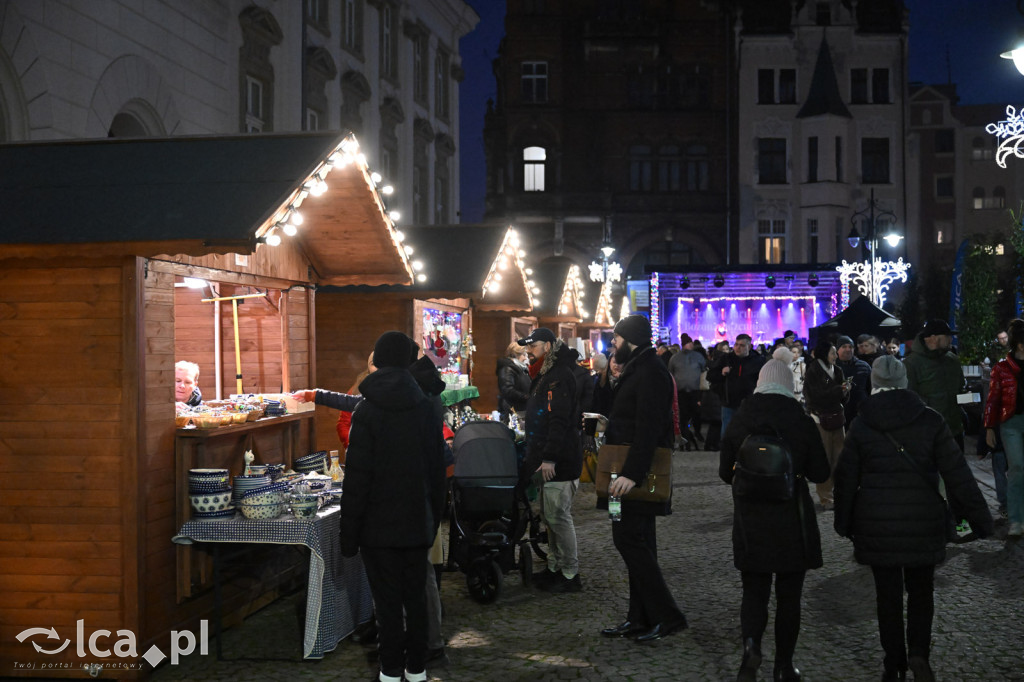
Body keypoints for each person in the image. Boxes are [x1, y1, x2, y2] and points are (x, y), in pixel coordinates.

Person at [834, 355, 993, 682]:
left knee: (887, 596)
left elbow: (846, 478)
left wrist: (844, 522)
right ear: (905, 381)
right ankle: (919, 654)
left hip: (876, 520)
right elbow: (957, 474)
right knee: (921, 592)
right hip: (924, 519)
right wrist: (981, 520)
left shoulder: (862, 424)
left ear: (874, 383)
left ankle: (894, 661)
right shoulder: (930, 420)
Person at [339, 331, 447, 682]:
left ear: (379, 362)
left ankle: (388, 672)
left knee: (386, 605)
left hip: (377, 528)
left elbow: (357, 479)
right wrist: (434, 519)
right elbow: (436, 472)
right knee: (415, 601)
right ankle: (416, 670)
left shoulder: (366, 410)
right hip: (416, 522)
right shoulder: (427, 408)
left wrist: (349, 534)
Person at [720, 347, 830, 682]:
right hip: (791, 519)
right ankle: (784, 665)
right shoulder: (799, 418)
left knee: (754, 592)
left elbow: (726, 472)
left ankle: (751, 648)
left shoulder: (742, 417)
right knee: (789, 596)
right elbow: (821, 472)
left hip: (751, 520)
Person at [599, 314, 687, 643]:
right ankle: (639, 617)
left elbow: (649, 429)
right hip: (623, 476)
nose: (613, 344)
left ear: (631, 339)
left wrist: (631, 475)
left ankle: (667, 615)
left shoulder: (651, 372)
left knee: (629, 541)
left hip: (631, 479)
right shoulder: (637, 367)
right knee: (638, 542)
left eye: (616, 339)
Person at [518, 327, 582, 592]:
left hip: (559, 461)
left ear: (547, 346)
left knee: (557, 516)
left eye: (533, 346)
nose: (528, 351)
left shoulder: (557, 376)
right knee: (549, 514)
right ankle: (555, 566)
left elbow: (559, 420)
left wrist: (550, 458)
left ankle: (570, 573)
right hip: (548, 458)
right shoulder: (545, 374)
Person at [983, 319, 1024, 537]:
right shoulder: (1002, 368)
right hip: (1011, 423)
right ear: (1020, 345)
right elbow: (993, 399)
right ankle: (1017, 519)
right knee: (1017, 468)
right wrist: (989, 427)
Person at [904, 320, 967, 451]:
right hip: (928, 432)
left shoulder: (953, 359)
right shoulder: (912, 363)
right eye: (947, 336)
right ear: (933, 338)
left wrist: (967, 398)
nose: (951, 339)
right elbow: (909, 397)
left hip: (954, 429)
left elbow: (960, 388)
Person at [803, 338, 848, 509]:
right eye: (832, 352)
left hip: (837, 418)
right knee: (825, 459)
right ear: (824, 353)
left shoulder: (837, 370)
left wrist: (845, 391)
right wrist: (839, 390)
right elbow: (815, 396)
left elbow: (841, 396)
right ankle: (826, 497)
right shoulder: (813, 370)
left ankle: (838, 493)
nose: (835, 356)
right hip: (821, 419)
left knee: (839, 458)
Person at [707, 333, 765, 438]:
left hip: (749, 403)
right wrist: (722, 372)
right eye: (736, 344)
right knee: (727, 433)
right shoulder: (726, 359)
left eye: (742, 345)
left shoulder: (758, 361)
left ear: (749, 346)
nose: (738, 348)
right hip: (729, 403)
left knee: (747, 433)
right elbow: (710, 376)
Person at [668, 332, 706, 448]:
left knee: (695, 414)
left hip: (694, 391)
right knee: (684, 415)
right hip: (681, 392)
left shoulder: (695, 357)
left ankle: (695, 432)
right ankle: (686, 435)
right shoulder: (676, 358)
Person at [835, 335, 870, 427]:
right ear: (837, 350)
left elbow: (870, 388)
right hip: (839, 413)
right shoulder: (832, 367)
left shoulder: (863, 366)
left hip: (860, 412)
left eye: (850, 347)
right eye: (844, 347)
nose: (848, 349)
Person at [496, 341, 531, 425]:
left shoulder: (521, 368)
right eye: (524, 355)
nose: (526, 358)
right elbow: (507, 390)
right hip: (513, 411)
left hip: (522, 410)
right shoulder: (507, 368)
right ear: (516, 354)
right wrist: (526, 397)